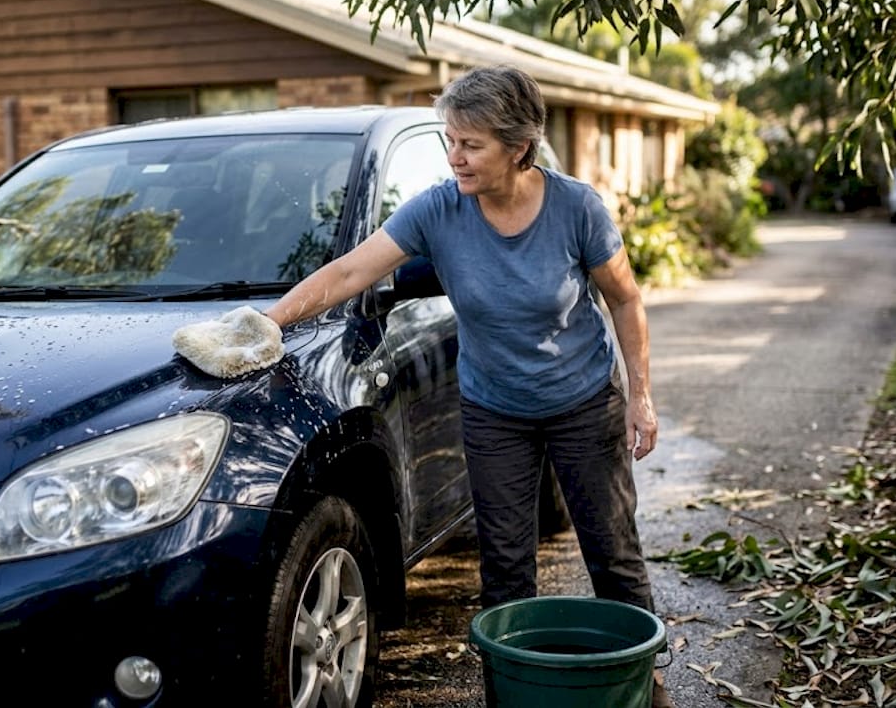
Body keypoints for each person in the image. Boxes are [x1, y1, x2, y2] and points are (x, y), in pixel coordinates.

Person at [263, 65, 670, 707]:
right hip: (495, 411)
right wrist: (266, 323)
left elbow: (625, 299)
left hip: (584, 401)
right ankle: (512, 694)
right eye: (450, 140)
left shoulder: (577, 209)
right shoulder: (439, 209)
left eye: (471, 144)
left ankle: (645, 685)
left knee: (613, 553)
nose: (454, 156)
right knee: (505, 569)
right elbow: (347, 273)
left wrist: (640, 396)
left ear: (519, 147)